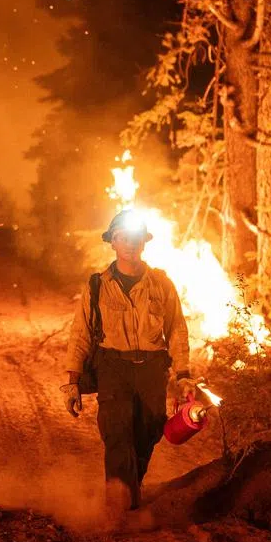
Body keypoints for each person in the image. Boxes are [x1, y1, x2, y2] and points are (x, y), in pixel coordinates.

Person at [62, 209, 195, 515]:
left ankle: (129, 490)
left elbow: (177, 329)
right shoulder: (97, 286)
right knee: (118, 433)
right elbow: (80, 334)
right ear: (113, 243)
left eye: (135, 238)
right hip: (114, 367)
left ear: (144, 243)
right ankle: (119, 507)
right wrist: (72, 381)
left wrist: (184, 373)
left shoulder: (161, 284)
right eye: (123, 237)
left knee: (148, 432)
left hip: (151, 369)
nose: (129, 244)